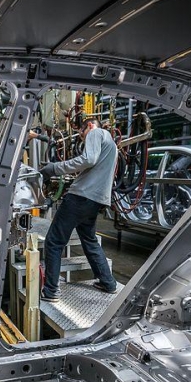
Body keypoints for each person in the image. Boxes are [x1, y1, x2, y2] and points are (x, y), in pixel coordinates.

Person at [36, 119, 118, 302]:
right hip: (96, 200)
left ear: (88, 126)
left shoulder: (96, 133)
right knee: (89, 240)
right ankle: (108, 282)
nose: (83, 138)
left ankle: (50, 291)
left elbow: (89, 159)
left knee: (54, 241)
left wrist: (54, 168)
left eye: (82, 134)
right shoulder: (112, 145)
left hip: (80, 197)